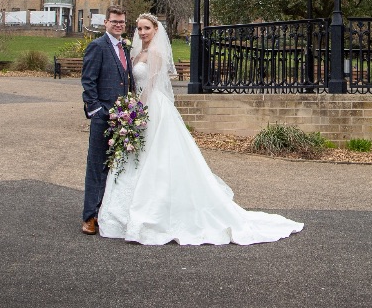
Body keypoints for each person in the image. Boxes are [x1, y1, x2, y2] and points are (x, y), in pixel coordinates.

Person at [98, 13, 303, 245]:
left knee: (158, 158)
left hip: (151, 108)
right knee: (138, 156)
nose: (142, 32)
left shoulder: (155, 54)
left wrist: (135, 113)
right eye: (139, 28)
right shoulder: (136, 53)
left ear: (156, 30)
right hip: (138, 106)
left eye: (146, 28)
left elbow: (151, 86)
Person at [80, 5, 132, 235]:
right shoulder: (97, 46)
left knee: (116, 167)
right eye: (114, 22)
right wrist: (97, 110)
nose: (118, 25)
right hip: (103, 117)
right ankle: (89, 216)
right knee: (96, 166)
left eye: (121, 22)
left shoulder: (125, 49)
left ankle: (107, 212)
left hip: (123, 118)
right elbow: (88, 81)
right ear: (106, 23)